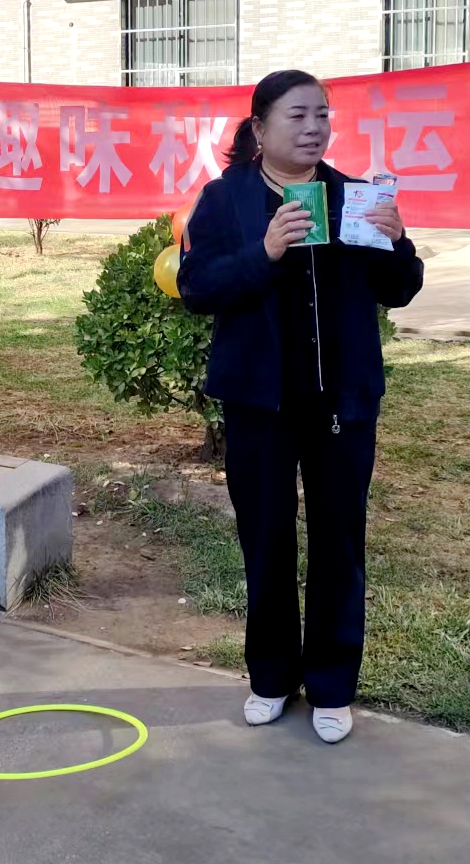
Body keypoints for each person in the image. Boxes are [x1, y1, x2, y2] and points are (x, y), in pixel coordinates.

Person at [176, 69, 423, 744]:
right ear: (260, 128)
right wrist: (265, 251)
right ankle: (272, 676)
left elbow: (399, 290)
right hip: (260, 404)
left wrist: (397, 239)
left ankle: (333, 686)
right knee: (266, 540)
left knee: (340, 543)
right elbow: (196, 287)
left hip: (343, 403)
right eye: (298, 116)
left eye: (322, 115)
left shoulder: (353, 196)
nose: (314, 128)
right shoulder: (226, 200)